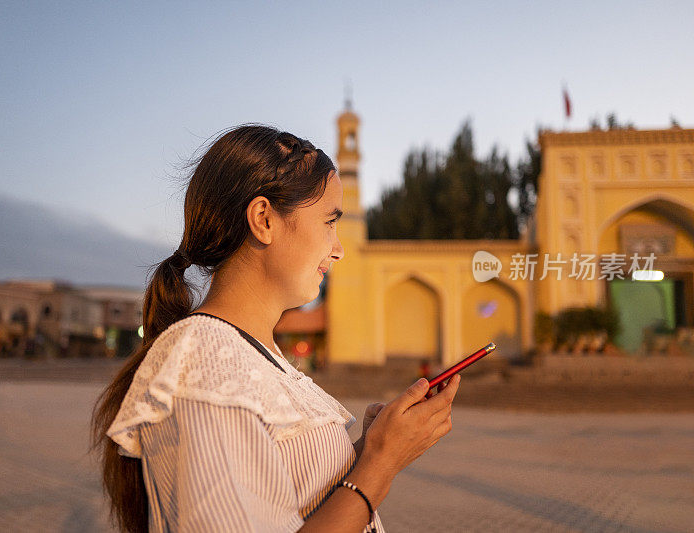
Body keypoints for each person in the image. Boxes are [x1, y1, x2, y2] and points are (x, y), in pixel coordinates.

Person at [91, 125, 461, 533]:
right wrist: (380, 465)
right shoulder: (205, 361)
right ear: (264, 219)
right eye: (328, 222)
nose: (338, 248)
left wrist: (371, 446)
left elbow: (294, 492)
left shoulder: (252, 355)